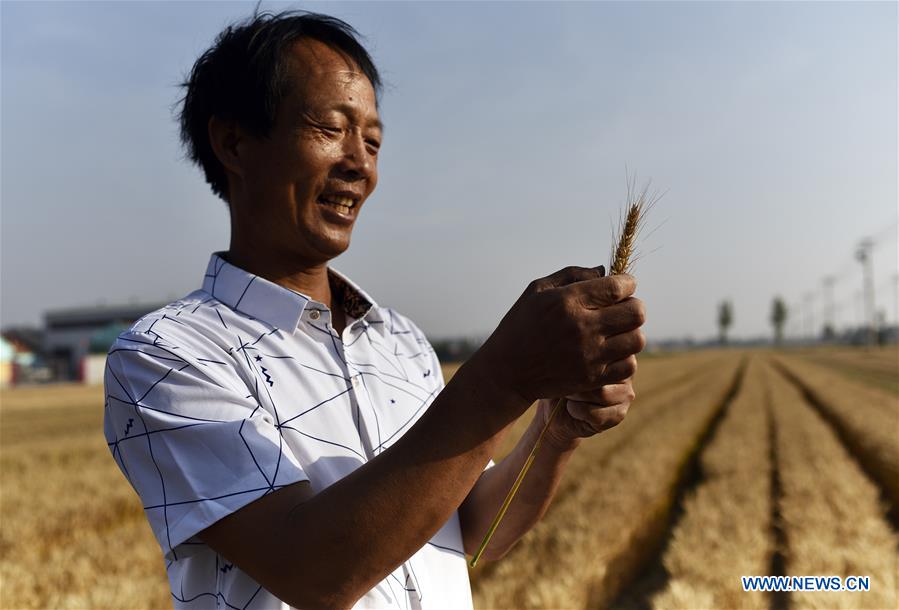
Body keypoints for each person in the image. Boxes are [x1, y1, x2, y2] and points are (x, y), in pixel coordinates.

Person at [103, 9, 645, 610]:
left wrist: (554, 431)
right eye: (330, 128)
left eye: (373, 141)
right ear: (233, 141)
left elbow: (467, 532)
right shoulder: (168, 357)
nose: (359, 163)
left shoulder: (402, 342)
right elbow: (312, 571)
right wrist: (502, 379)